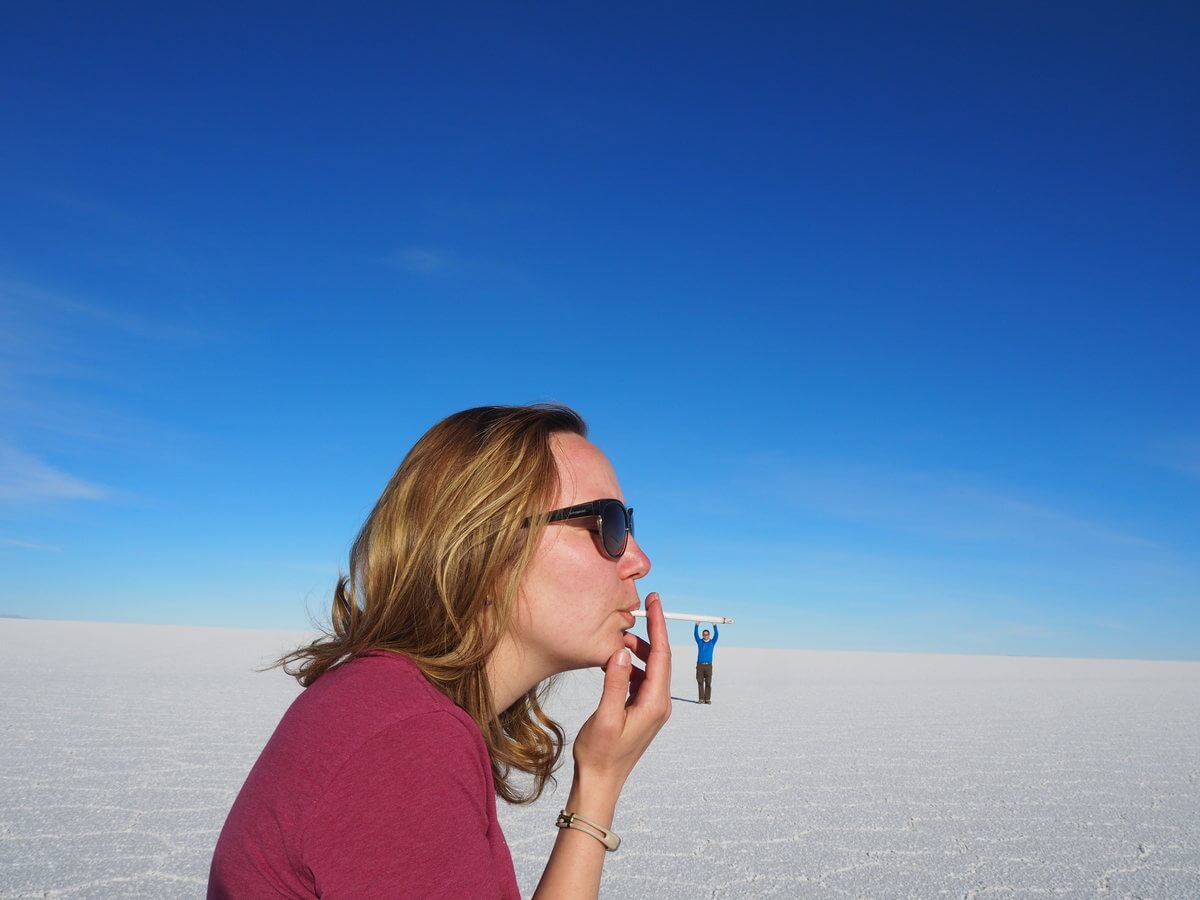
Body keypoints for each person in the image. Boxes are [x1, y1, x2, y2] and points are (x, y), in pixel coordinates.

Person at [208, 405, 671, 898]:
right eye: (610, 524)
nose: (640, 561)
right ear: (485, 548)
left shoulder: (388, 704)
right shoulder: (402, 741)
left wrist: (599, 779)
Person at [694, 623, 718, 703]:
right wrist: (696, 625)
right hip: (700, 665)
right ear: (702, 635)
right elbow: (695, 634)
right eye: (704, 634)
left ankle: (707, 699)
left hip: (708, 665)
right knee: (700, 682)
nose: (705, 636)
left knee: (708, 682)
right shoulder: (700, 642)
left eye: (707, 634)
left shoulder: (712, 642)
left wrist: (714, 626)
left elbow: (717, 635)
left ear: (709, 635)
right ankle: (701, 699)